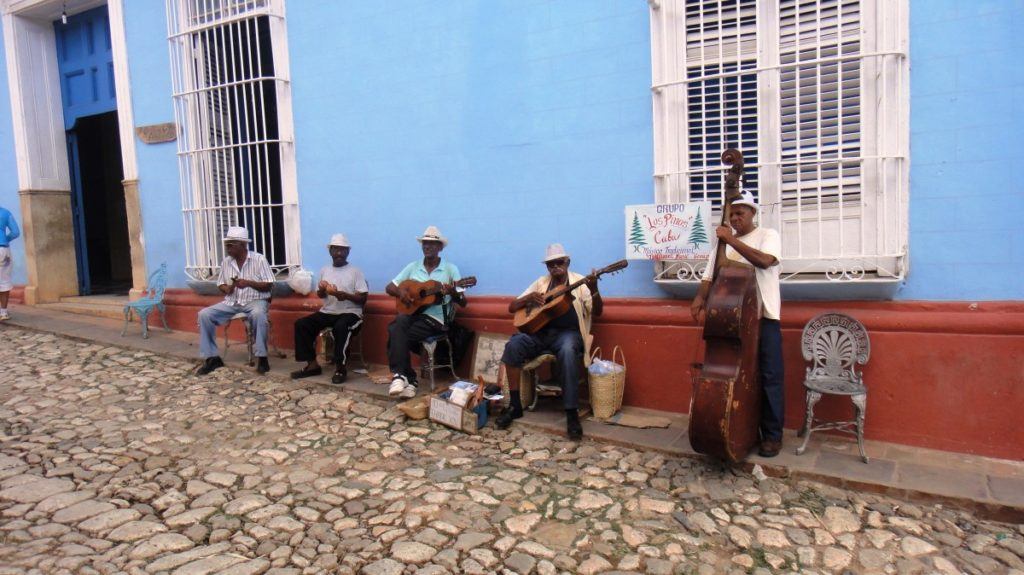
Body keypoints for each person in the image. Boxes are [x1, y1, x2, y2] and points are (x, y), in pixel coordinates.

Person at [690, 190, 784, 457]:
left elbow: (765, 261)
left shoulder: (768, 235)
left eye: (740, 213)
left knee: (769, 376)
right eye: (731, 214)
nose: (735, 218)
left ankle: (773, 435)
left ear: (753, 213)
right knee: (734, 375)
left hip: (764, 317)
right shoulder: (722, 244)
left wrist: (731, 239)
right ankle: (740, 427)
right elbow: (710, 276)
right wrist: (699, 298)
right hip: (732, 321)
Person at [496, 243, 602, 441]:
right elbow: (512, 307)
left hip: (568, 334)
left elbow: (597, 311)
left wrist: (594, 288)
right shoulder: (541, 283)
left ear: (567, 262)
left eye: (559, 262)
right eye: (550, 264)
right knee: (514, 345)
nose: (555, 267)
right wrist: (528, 298)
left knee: (569, 350)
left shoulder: (580, 283)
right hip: (539, 334)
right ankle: (515, 406)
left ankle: (571, 413)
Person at [385, 226, 466, 399]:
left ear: (440, 247)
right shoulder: (413, 267)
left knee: (395, 331)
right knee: (398, 325)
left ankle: (403, 377)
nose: (427, 247)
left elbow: (463, 302)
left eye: (432, 244)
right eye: (425, 243)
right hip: (413, 316)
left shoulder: (450, 269)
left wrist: (453, 292)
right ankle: (408, 379)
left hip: (436, 320)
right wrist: (402, 293)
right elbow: (390, 287)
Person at [195, 226, 275, 376]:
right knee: (204, 314)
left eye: (231, 244)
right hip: (232, 302)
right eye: (227, 244)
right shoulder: (227, 262)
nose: (228, 247)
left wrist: (249, 283)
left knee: (259, 315)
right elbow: (220, 283)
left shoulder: (259, 259)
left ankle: (262, 357)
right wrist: (227, 289)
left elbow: (269, 284)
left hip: (255, 300)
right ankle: (212, 357)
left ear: (243, 245)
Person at [290, 234, 368, 384]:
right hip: (328, 311)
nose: (339, 253)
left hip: (351, 313)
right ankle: (312, 364)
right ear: (330, 251)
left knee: (341, 327)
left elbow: (363, 298)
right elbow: (321, 295)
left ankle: (340, 368)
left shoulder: (355, 272)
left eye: (342, 250)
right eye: (336, 249)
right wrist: (321, 289)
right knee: (301, 324)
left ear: (347, 252)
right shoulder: (325, 270)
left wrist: (343, 295)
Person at [0, 206, 20, 321]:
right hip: (3, 250)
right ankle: (3, 312)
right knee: (4, 281)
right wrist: (4, 239)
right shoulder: (5, 213)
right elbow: (15, 232)